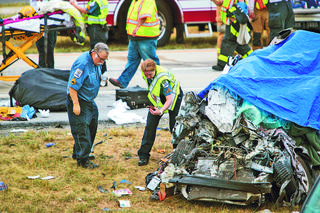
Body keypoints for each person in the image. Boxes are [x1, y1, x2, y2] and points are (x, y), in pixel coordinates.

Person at [66, 42, 109, 169]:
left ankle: (78, 153)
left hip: (89, 100)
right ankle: (83, 160)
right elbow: (72, 87)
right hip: (78, 99)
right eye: (101, 59)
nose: (102, 62)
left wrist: (101, 78)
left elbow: (96, 72)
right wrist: (76, 105)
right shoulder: (82, 64)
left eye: (104, 60)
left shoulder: (97, 61)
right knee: (81, 130)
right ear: (94, 53)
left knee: (92, 125)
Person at [137, 59, 183, 166]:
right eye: (146, 74)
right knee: (150, 126)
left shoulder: (164, 80)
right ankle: (143, 155)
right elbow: (153, 86)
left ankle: (178, 154)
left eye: (150, 74)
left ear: (155, 69)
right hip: (158, 97)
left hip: (173, 97)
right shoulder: (146, 72)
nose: (148, 76)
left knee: (174, 127)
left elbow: (169, 99)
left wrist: (161, 111)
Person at [108, 0, 160, 89]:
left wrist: (137, 27)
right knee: (132, 60)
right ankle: (122, 81)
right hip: (135, 37)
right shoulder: (136, 1)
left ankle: (157, 84)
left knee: (150, 62)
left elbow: (145, 16)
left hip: (145, 36)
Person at [212, 1, 253, 71]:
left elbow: (240, 4)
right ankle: (252, 59)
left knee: (228, 42)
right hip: (232, 19)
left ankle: (222, 64)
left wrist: (235, 16)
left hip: (234, 20)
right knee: (238, 44)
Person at [70, 0, 109, 74]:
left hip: (96, 29)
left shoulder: (95, 2)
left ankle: (100, 75)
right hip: (100, 28)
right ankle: (102, 76)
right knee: (100, 52)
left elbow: (85, 11)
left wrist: (73, 4)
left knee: (97, 53)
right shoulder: (103, 1)